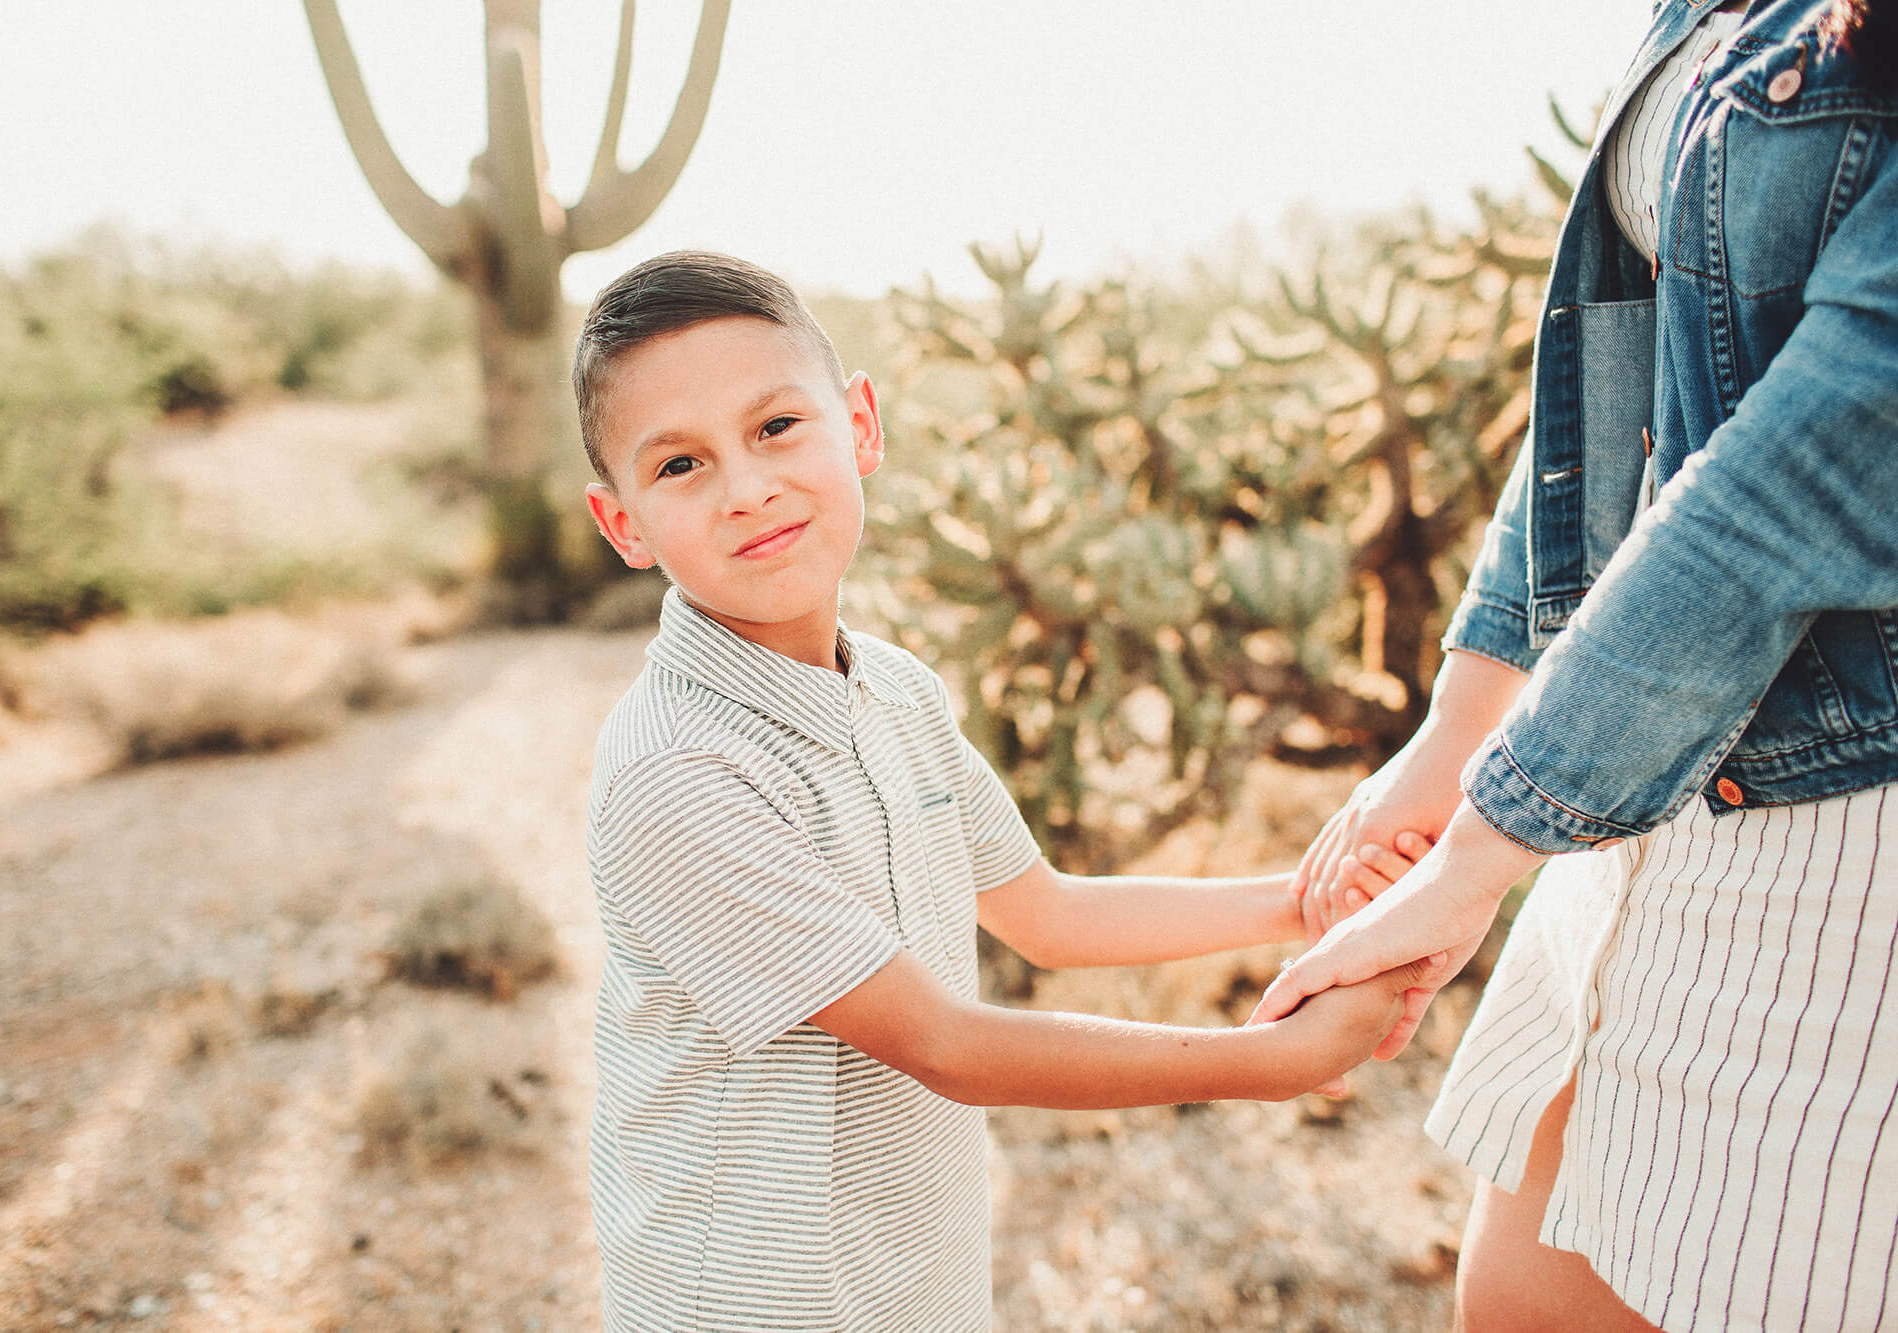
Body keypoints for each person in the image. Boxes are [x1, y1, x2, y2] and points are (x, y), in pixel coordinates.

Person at [573, 250, 1434, 1331]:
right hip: (757, 1302)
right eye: (680, 466)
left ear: (861, 427)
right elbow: (945, 1042)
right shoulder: (679, 772)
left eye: (774, 428)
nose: (747, 488)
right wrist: (1274, 1060)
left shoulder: (890, 688)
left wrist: (1308, 902)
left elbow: (1050, 915)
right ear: (623, 526)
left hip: (912, 1279)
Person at [1254, 1, 1898, 1329]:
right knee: (1523, 1297)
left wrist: (1484, 845)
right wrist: (1455, 739)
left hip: (1845, 825)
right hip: (1630, 747)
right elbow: (1618, 392)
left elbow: (1794, 478)